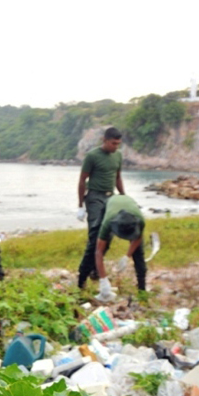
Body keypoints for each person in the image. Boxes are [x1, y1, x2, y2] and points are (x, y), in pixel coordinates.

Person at [76, 127, 124, 289]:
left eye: (118, 144)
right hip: (95, 197)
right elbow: (82, 180)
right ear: (104, 140)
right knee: (95, 235)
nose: (115, 147)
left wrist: (124, 196)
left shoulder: (118, 155)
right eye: (113, 143)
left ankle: (96, 269)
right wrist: (80, 205)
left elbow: (118, 177)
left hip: (110, 197)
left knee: (108, 235)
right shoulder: (92, 156)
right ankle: (82, 276)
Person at [92, 195, 146, 302]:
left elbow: (138, 239)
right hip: (110, 202)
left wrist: (127, 256)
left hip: (129, 202)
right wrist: (104, 280)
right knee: (95, 243)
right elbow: (98, 252)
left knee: (139, 255)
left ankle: (142, 292)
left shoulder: (140, 221)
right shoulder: (108, 222)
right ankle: (92, 274)